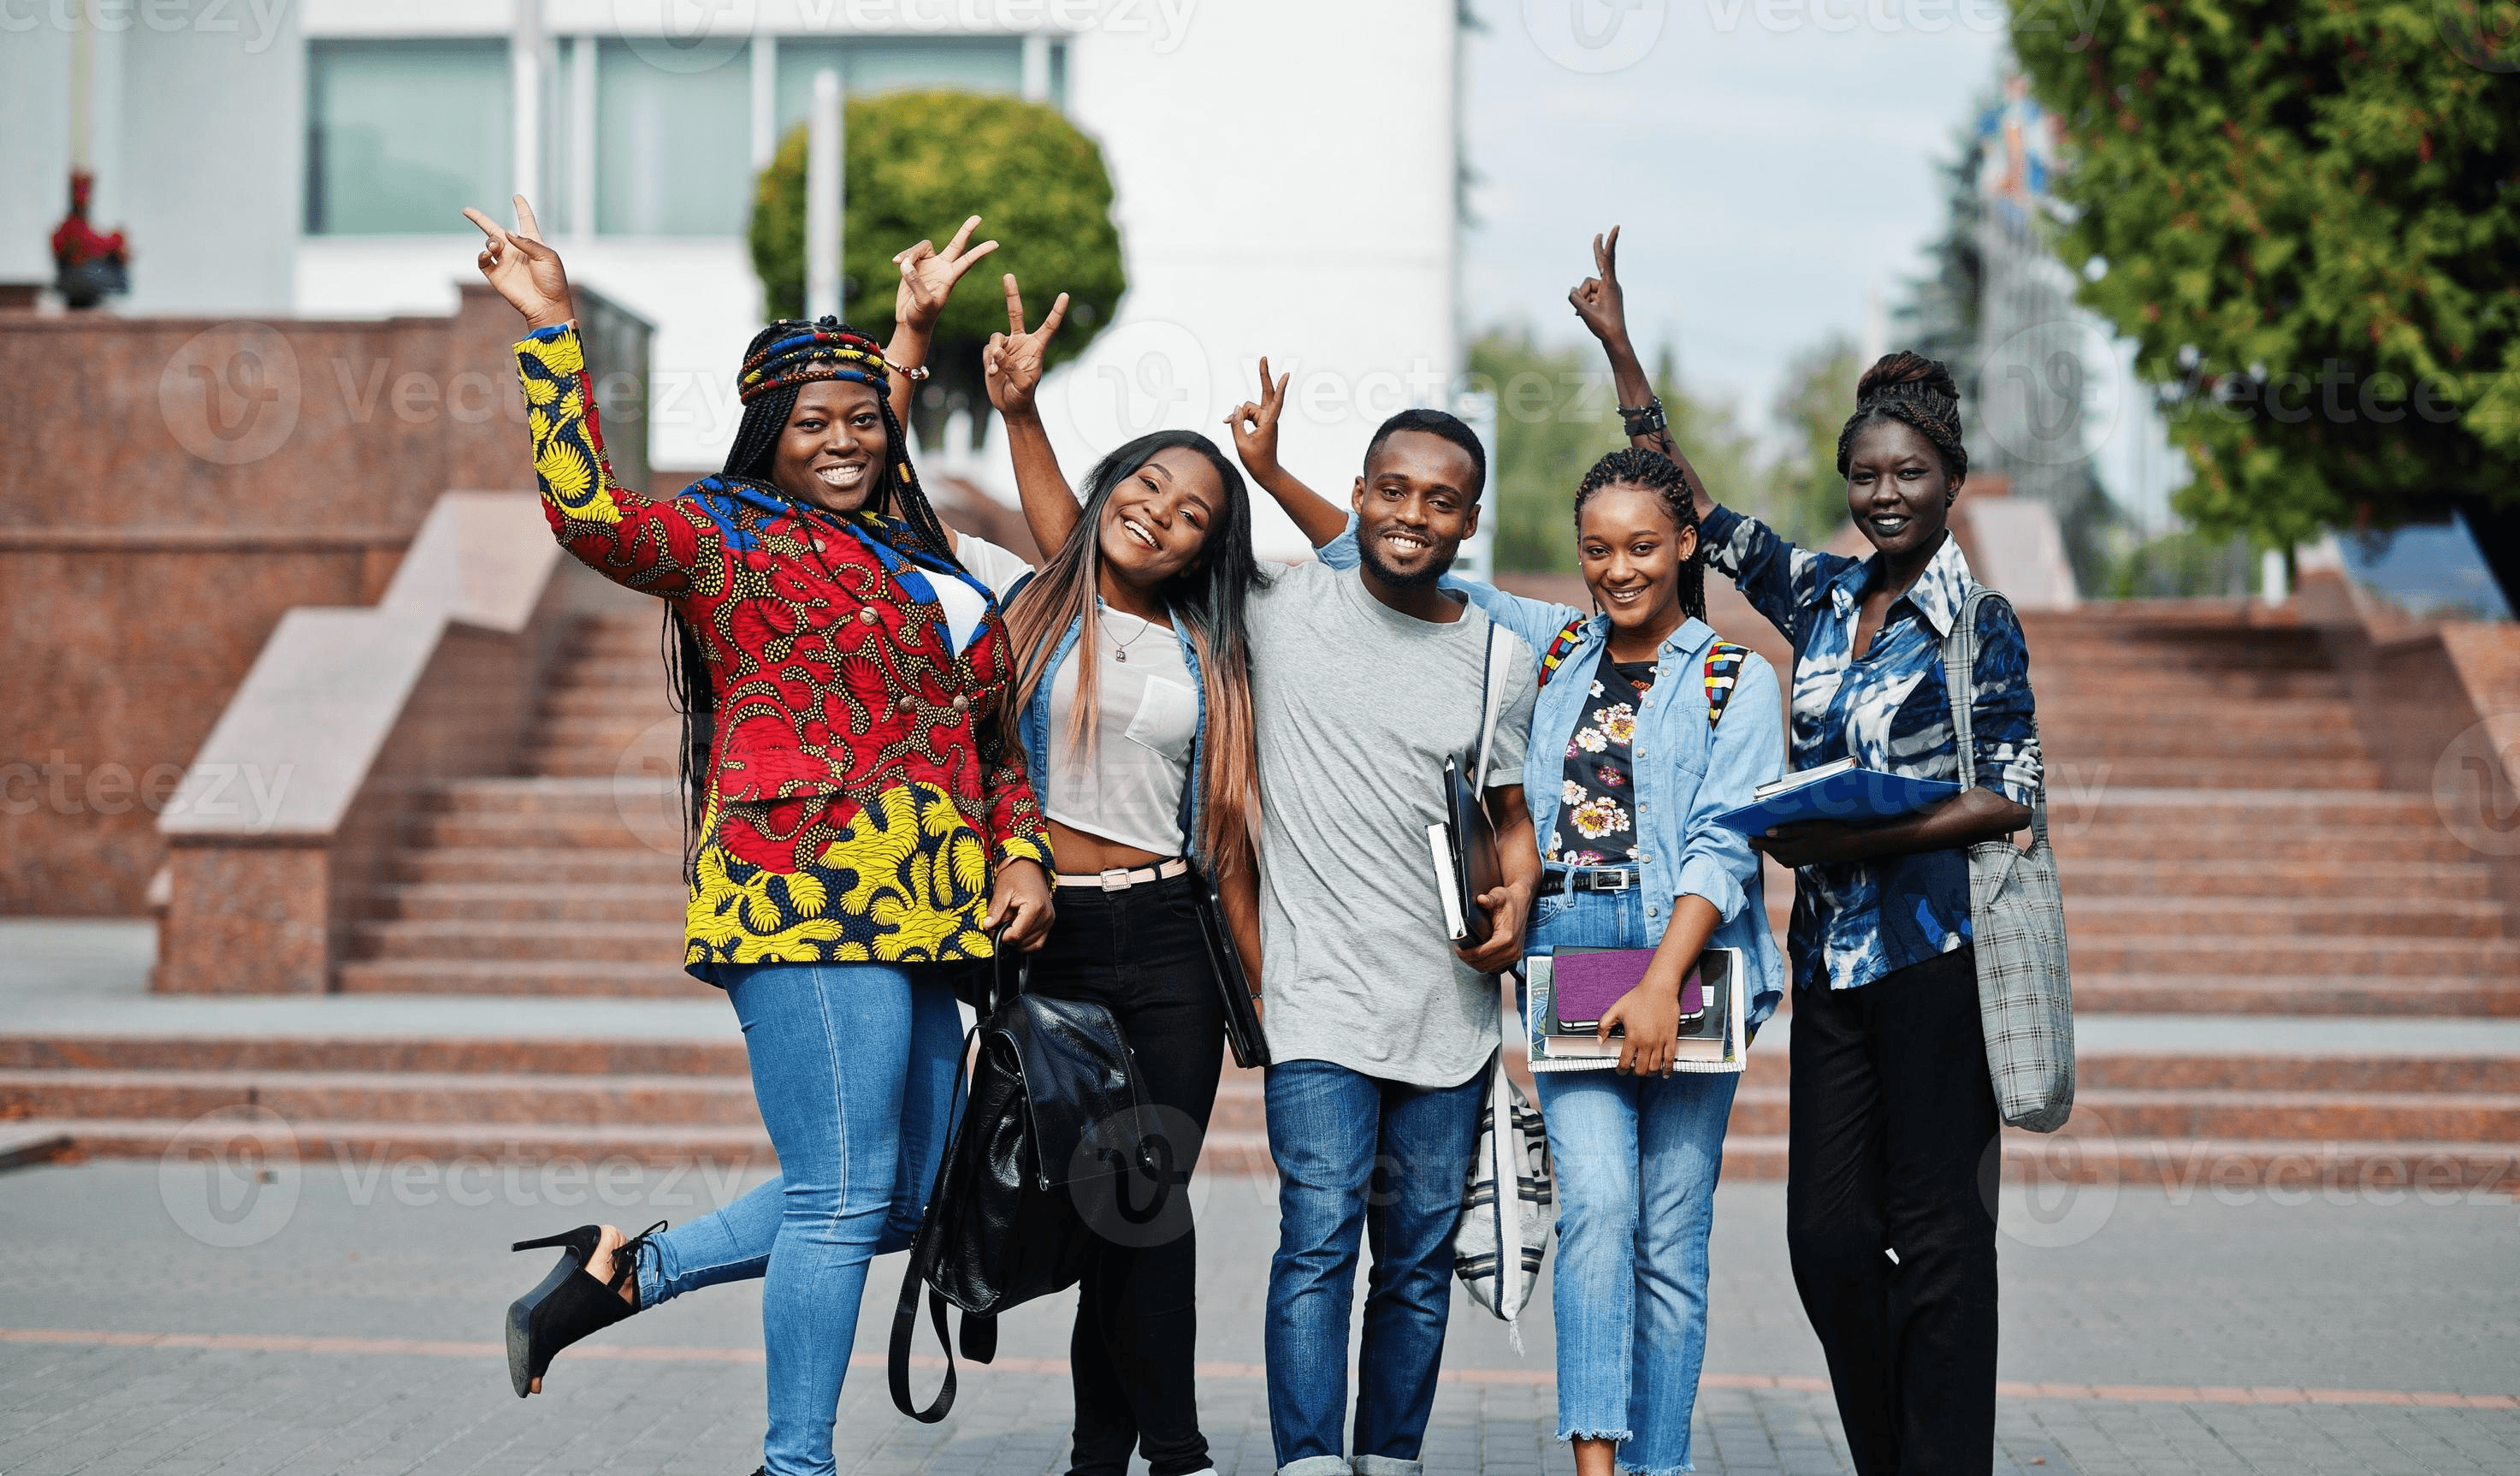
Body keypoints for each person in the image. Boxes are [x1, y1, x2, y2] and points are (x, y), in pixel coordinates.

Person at [465, 198, 1052, 1476]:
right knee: (844, 1200)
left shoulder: (931, 568)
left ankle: (628, 1271)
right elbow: (588, 517)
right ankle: (794, 1465)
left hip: (934, 914)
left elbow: (991, 746)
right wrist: (552, 331)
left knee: (904, 1198)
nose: (839, 442)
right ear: (765, 440)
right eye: (809, 424)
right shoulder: (724, 538)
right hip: (798, 899)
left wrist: (1021, 853)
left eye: (860, 420)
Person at [1248, 365, 1789, 1474]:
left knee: (1671, 1249)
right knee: (1592, 1210)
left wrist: (1660, 983)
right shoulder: (1551, 649)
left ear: (1682, 544)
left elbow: (1723, 845)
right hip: (1573, 964)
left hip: (1688, 961)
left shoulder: (1738, 681)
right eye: (1597, 549)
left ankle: (1658, 1464)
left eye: (1641, 546)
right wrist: (1273, 476)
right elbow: (1392, 553)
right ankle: (1594, 1464)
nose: (1618, 569)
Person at [1574, 228, 2041, 1476]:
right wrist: (1621, 346)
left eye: (1909, 475)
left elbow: (2010, 797)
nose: (1884, 494)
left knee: (1939, 1238)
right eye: (1866, 476)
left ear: (1948, 484)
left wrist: (1859, 826)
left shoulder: (1978, 623)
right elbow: (1694, 513)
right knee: (1828, 1242)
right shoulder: (1821, 596)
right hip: (1829, 965)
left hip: (1937, 957)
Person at [890, 275, 1267, 1476]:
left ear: (1214, 544)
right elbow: (880, 493)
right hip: (1046, 943)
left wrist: (1267, 1004)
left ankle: (1147, 1450)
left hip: (1168, 949)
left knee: (1137, 1196)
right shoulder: (1026, 599)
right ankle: (1134, 1449)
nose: (1162, 515)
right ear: (1108, 490)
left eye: (1196, 512)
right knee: (1097, 1200)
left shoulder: (1214, 651)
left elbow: (1229, 848)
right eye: (1146, 485)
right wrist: (971, 379)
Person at [1204, 370, 1541, 1476]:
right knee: (1315, 1244)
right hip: (1314, 1001)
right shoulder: (1279, 606)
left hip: (1448, 1012)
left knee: (1413, 1261)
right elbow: (1103, 547)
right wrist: (1016, 413)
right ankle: (1308, 1462)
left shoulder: (1496, 659)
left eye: (1439, 500)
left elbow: (1510, 818)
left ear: (1469, 521)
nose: (1411, 514)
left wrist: (1519, 899)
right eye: (1391, 491)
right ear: (1356, 495)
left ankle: (1387, 1458)